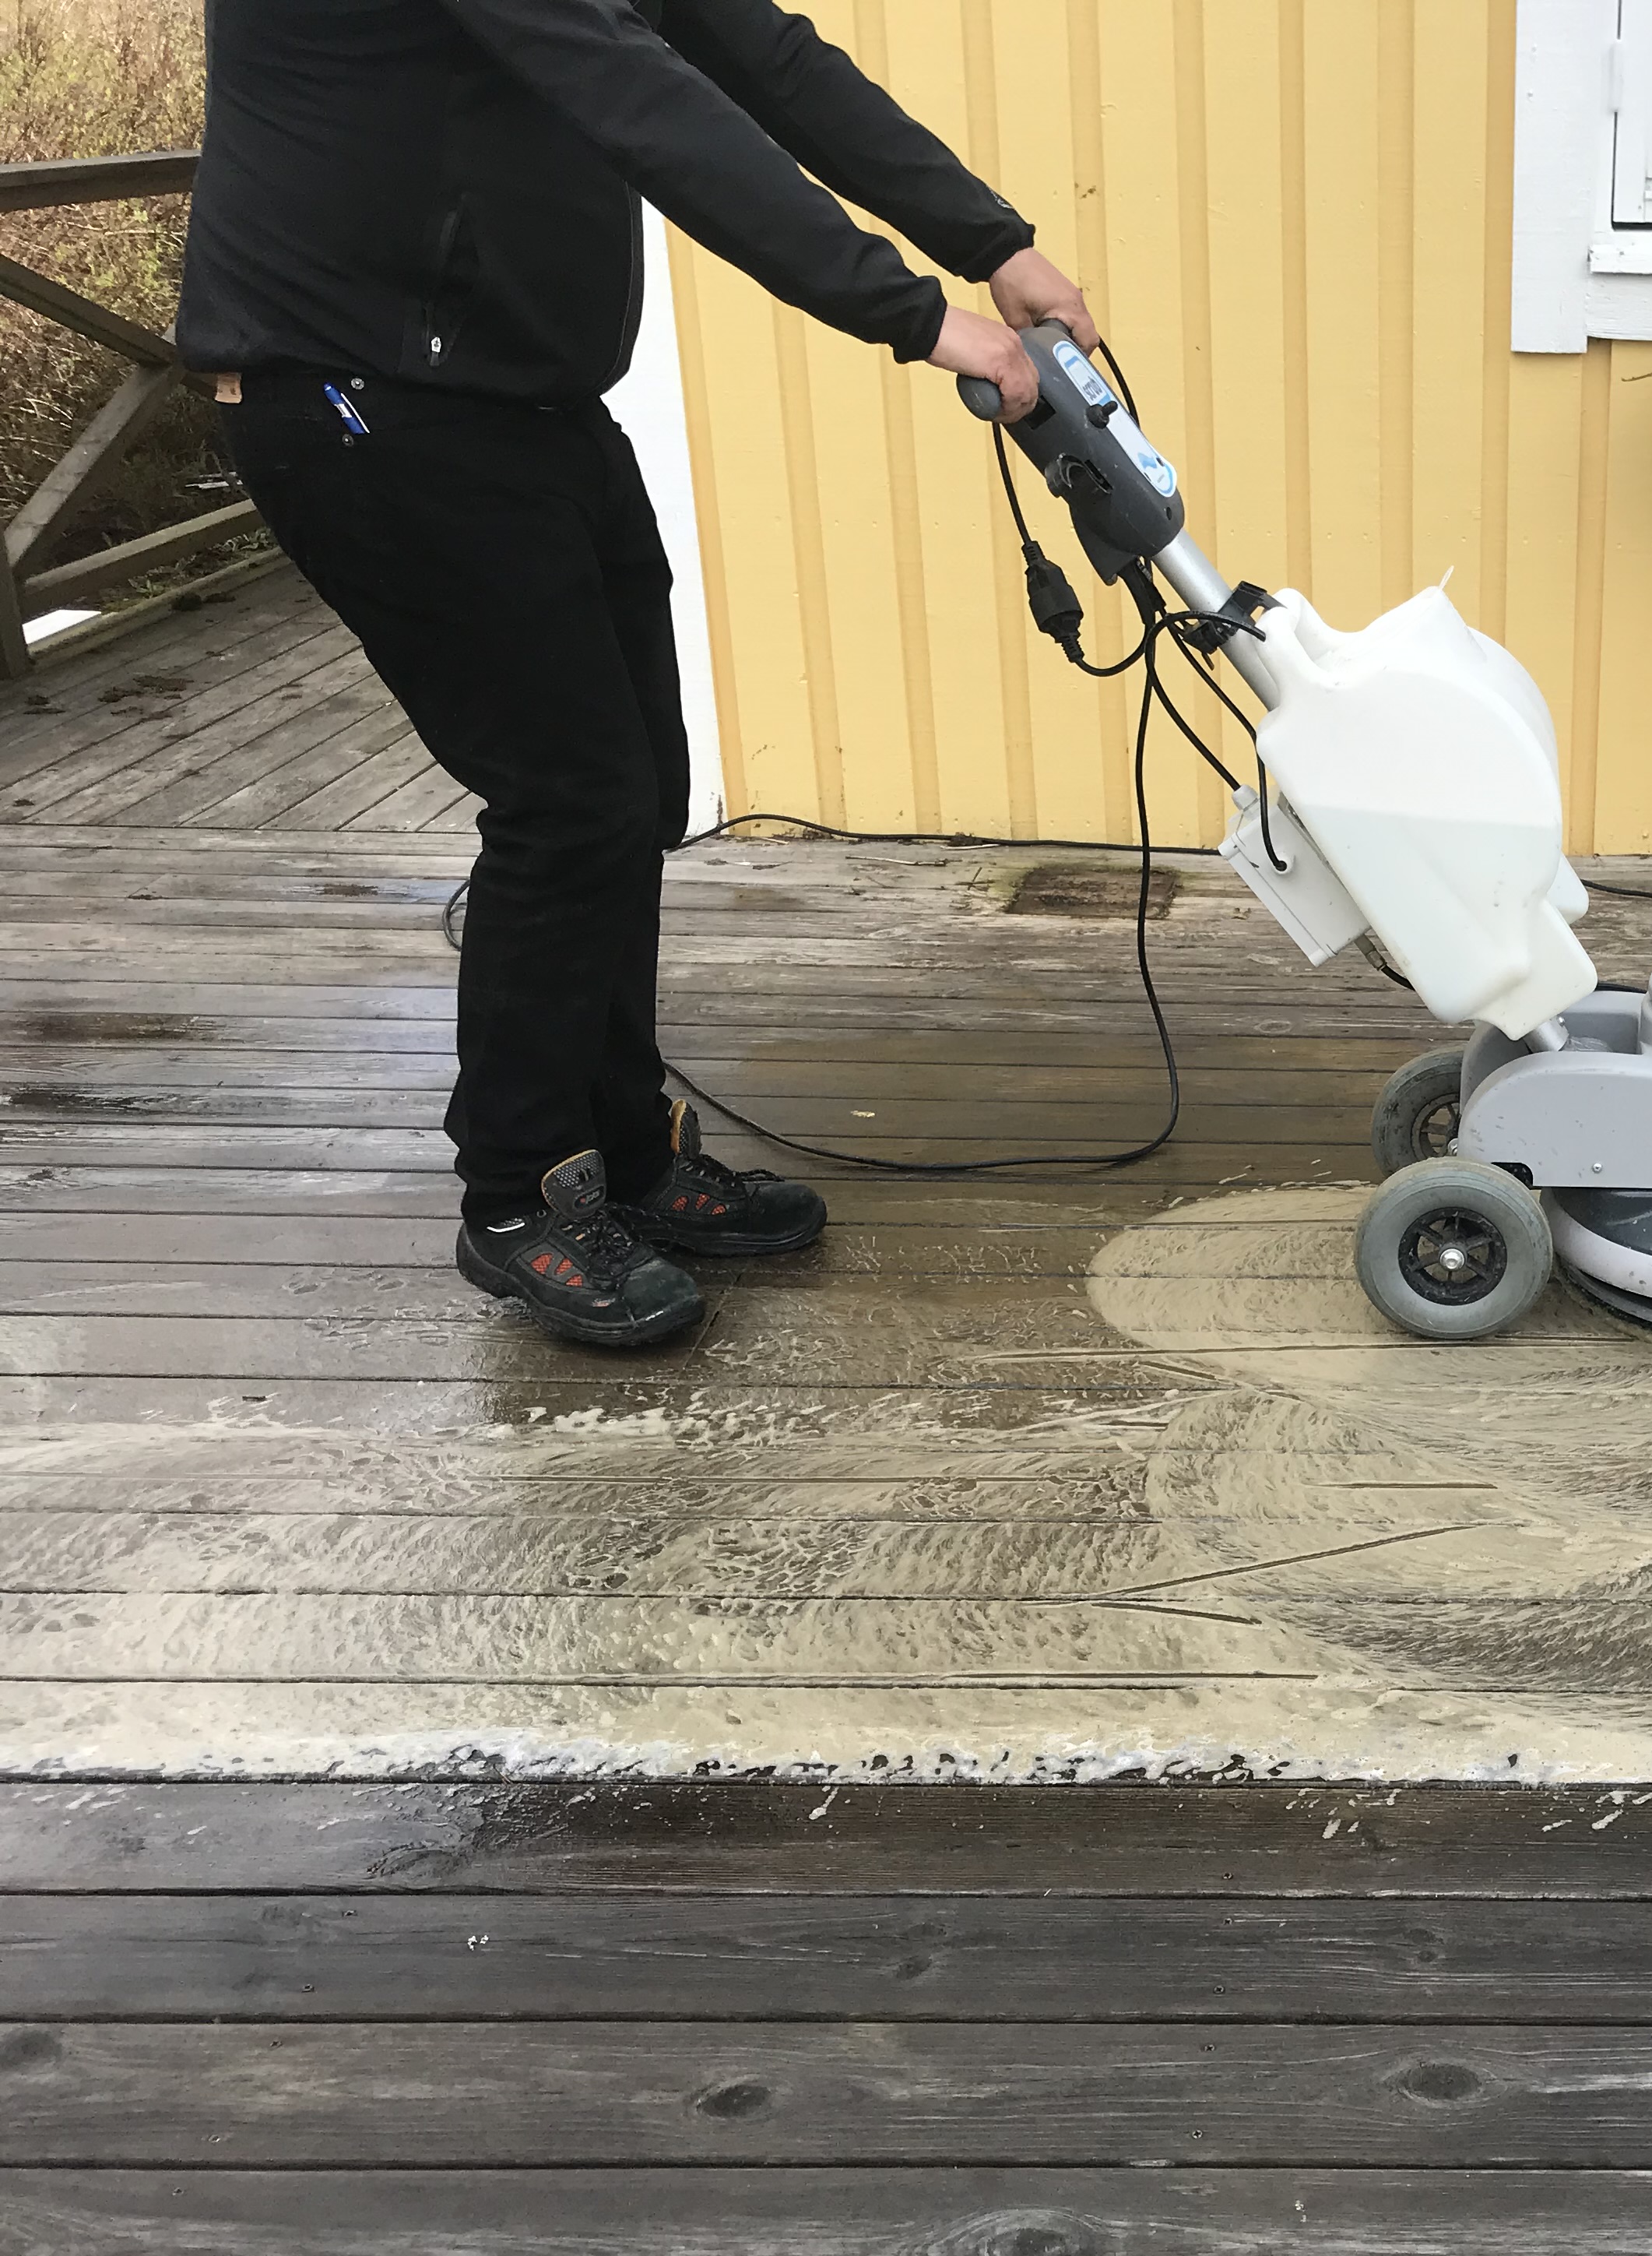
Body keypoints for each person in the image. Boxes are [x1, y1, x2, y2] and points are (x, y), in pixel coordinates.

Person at [174, 0, 1091, 1346]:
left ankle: (630, 1159)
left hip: (522, 402)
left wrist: (995, 242)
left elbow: (763, 57)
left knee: (638, 787)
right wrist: (918, 317)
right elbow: (643, 103)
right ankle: (518, 1199)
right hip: (360, 396)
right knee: (569, 802)